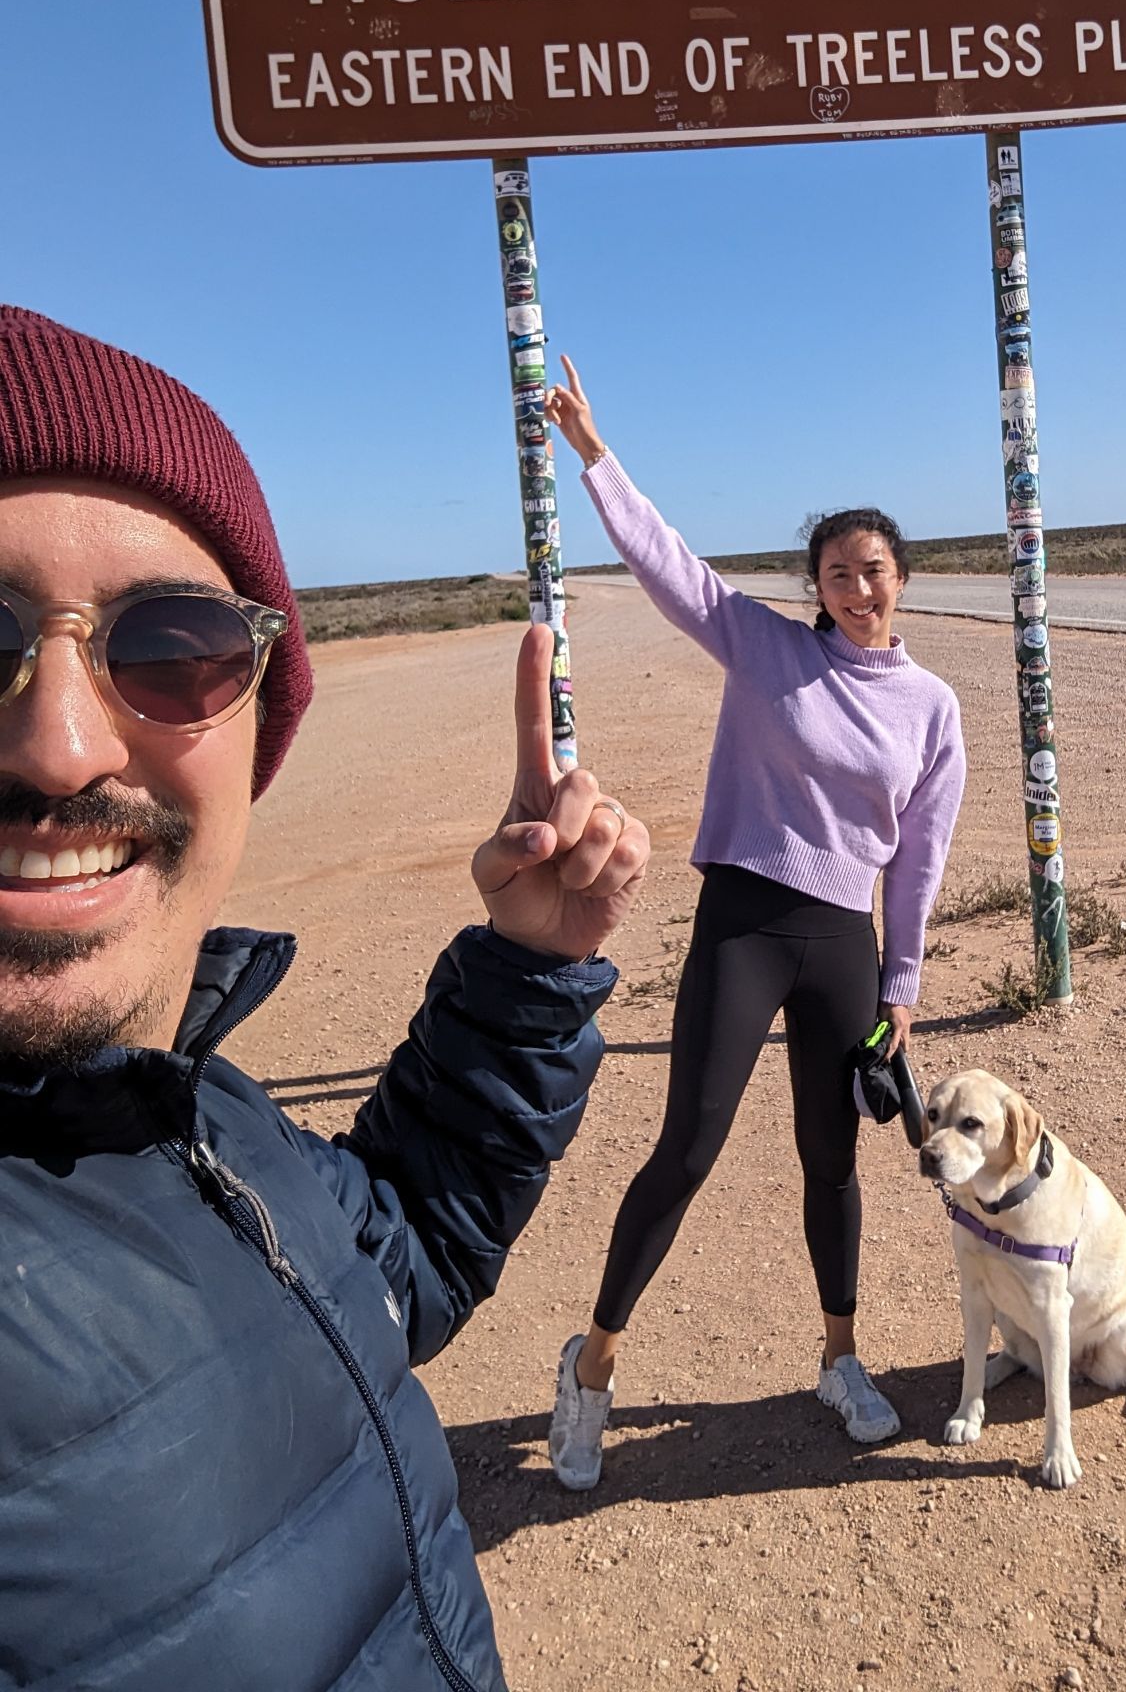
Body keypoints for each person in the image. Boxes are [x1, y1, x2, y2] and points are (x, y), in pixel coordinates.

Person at [0, 307, 649, 1692]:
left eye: (170, 647)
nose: (60, 746)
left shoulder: (189, 1122)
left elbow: (385, 1257)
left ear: (254, 727)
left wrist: (527, 974)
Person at [543, 355, 966, 1489]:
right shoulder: (768, 646)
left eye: (873, 570)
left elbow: (920, 854)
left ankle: (840, 1358)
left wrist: (904, 984)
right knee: (689, 1144)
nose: (857, 588)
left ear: (902, 578)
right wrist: (596, 453)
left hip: (843, 941)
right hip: (744, 916)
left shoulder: (933, 708)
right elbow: (671, 567)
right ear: (815, 586)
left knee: (832, 1161)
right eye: (837, 573)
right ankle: (591, 1368)